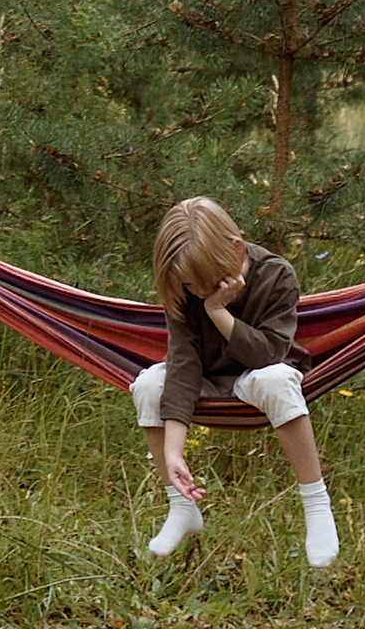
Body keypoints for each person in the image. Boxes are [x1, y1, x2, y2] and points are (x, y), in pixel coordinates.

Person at [130, 193, 339, 569]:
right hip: (206, 382)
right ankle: (182, 505)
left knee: (277, 379)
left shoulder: (276, 275)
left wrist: (216, 310)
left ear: (236, 249)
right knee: (147, 384)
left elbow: (269, 354)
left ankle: (316, 503)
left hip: (259, 375)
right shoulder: (186, 282)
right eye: (189, 287)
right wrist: (174, 452)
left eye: (202, 285)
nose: (196, 293)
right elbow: (182, 362)